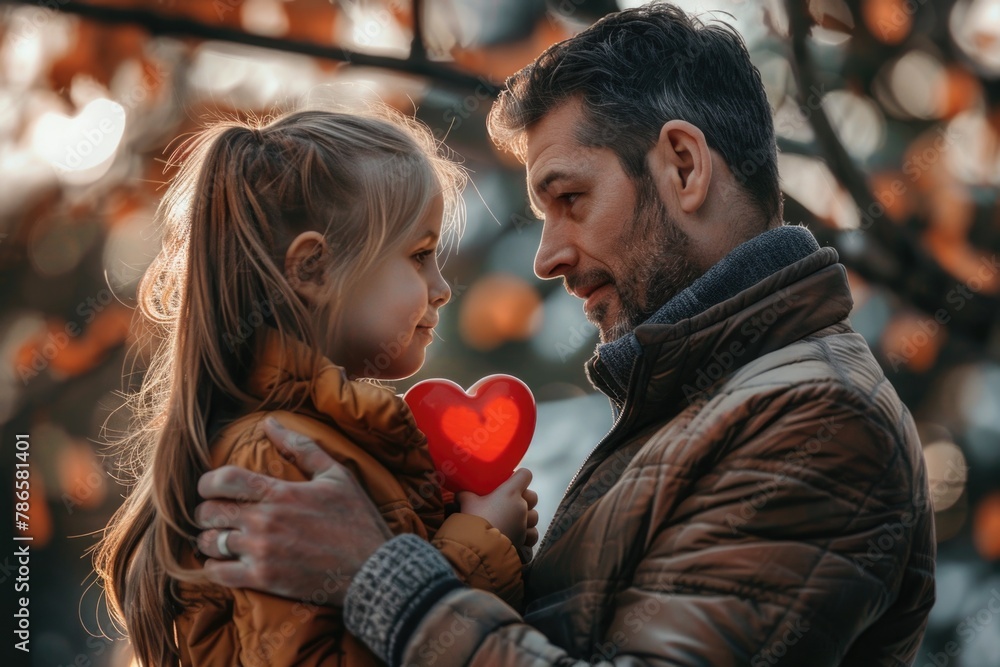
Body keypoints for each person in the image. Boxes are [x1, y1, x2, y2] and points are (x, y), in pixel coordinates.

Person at [194, 4, 936, 666]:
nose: (548, 256)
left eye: (571, 198)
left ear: (683, 166)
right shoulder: (692, 406)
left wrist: (379, 575)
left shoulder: (820, 417)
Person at [94, 108, 540, 667]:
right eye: (420, 256)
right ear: (312, 269)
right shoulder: (276, 458)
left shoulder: (337, 436)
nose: (443, 287)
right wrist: (479, 547)